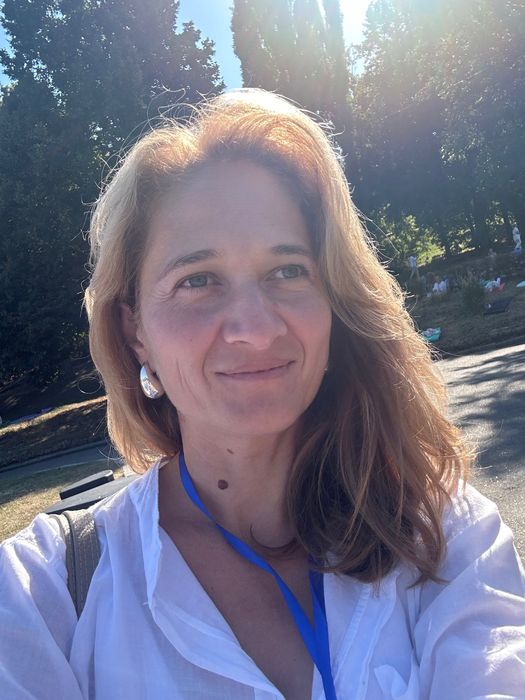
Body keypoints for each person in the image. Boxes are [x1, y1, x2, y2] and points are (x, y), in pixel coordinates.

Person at [1, 89, 524, 699]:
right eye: (198, 280)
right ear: (135, 330)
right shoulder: (46, 596)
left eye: (288, 271)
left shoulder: (443, 536)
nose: (255, 328)